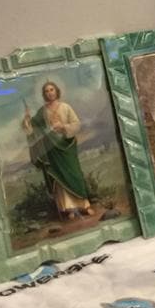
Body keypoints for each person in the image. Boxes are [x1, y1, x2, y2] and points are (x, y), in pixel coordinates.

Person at [22, 81, 94, 220]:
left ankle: (85, 205)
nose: (49, 93)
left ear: (57, 91)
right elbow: (33, 129)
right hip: (52, 149)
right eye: (46, 91)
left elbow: (76, 124)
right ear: (44, 94)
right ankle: (70, 208)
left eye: (52, 90)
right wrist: (27, 119)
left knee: (74, 174)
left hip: (66, 146)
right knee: (60, 178)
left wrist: (63, 127)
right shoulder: (42, 111)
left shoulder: (65, 107)